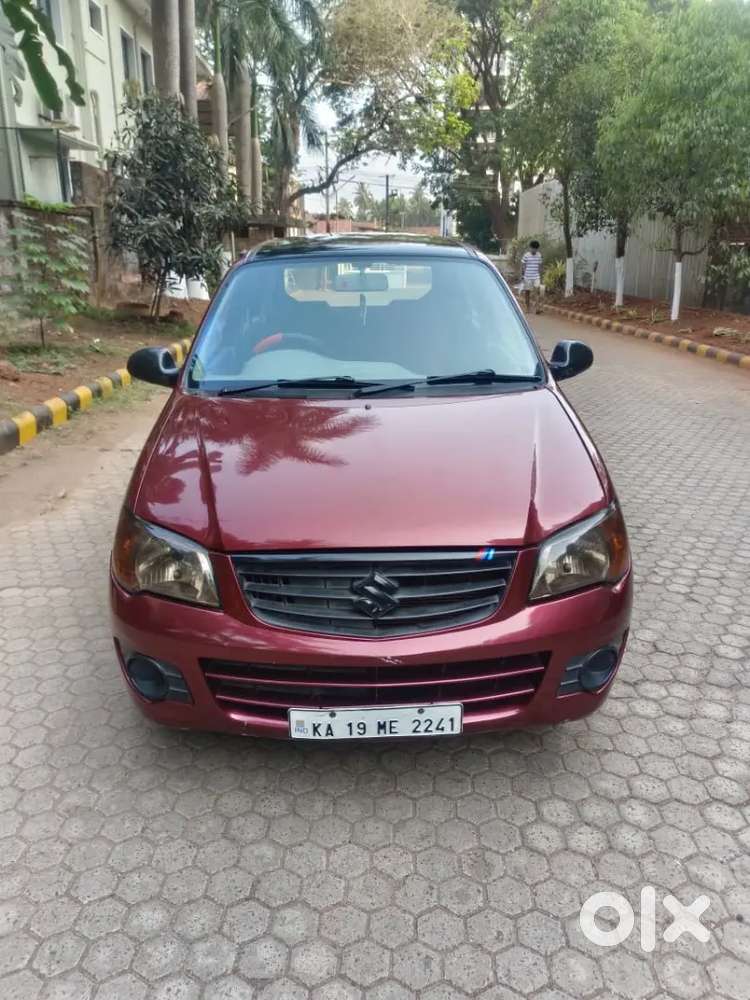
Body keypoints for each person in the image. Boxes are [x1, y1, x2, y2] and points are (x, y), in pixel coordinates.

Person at [521, 240, 543, 314]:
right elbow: (523, 266)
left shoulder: (539, 255)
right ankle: (527, 308)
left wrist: (541, 276)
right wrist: (522, 275)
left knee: (536, 292)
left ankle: (537, 308)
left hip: (536, 277)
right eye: (533, 248)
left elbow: (540, 266)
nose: (534, 250)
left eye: (536, 249)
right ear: (530, 248)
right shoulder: (526, 255)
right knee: (527, 293)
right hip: (527, 277)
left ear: (537, 249)